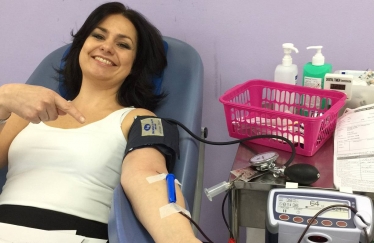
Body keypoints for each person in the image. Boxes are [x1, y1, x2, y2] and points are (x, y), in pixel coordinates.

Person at [0, 2, 201, 242]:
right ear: (81, 45)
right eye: (98, 36)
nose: (106, 47)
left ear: (135, 66)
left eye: (123, 44)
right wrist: (3, 100)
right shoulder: (30, 111)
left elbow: (148, 178)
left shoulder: (137, 119)